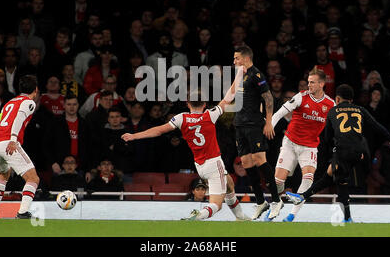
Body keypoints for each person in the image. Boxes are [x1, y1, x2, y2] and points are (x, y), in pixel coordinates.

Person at [122, 78, 249, 221]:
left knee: (229, 183)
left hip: (200, 165)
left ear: (187, 104)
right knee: (216, 205)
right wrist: (239, 73)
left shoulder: (181, 118)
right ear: (205, 104)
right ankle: (198, 216)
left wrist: (134, 136)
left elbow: (158, 130)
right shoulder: (210, 115)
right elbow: (229, 96)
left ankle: (241, 217)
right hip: (214, 164)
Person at [286, 84, 390, 222]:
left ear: (337, 98)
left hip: (342, 150)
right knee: (336, 178)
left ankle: (302, 196)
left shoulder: (332, 111)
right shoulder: (360, 109)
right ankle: (347, 217)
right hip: (359, 151)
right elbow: (376, 126)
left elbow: (327, 137)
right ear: (351, 99)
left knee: (333, 177)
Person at [270, 67, 335, 222]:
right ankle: (276, 204)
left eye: (312, 83)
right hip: (290, 143)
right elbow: (279, 112)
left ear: (322, 84)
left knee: (308, 177)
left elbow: (336, 128)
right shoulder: (301, 97)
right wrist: (270, 126)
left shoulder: (330, 104)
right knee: (278, 181)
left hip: (309, 147)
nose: (309, 85)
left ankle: (292, 214)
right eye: (308, 82)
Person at [0, 75, 41, 219]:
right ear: (35, 90)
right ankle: (23, 212)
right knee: (33, 179)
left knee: (4, 175)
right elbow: (18, 119)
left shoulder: (10, 102)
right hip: (8, 143)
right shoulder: (29, 102)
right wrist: (13, 139)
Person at [232, 45, 283, 220]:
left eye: (236, 58)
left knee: (260, 160)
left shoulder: (256, 74)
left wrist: (268, 122)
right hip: (240, 124)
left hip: (254, 124)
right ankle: (261, 202)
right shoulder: (240, 75)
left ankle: (276, 201)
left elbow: (268, 98)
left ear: (246, 58)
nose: (234, 61)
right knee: (246, 163)